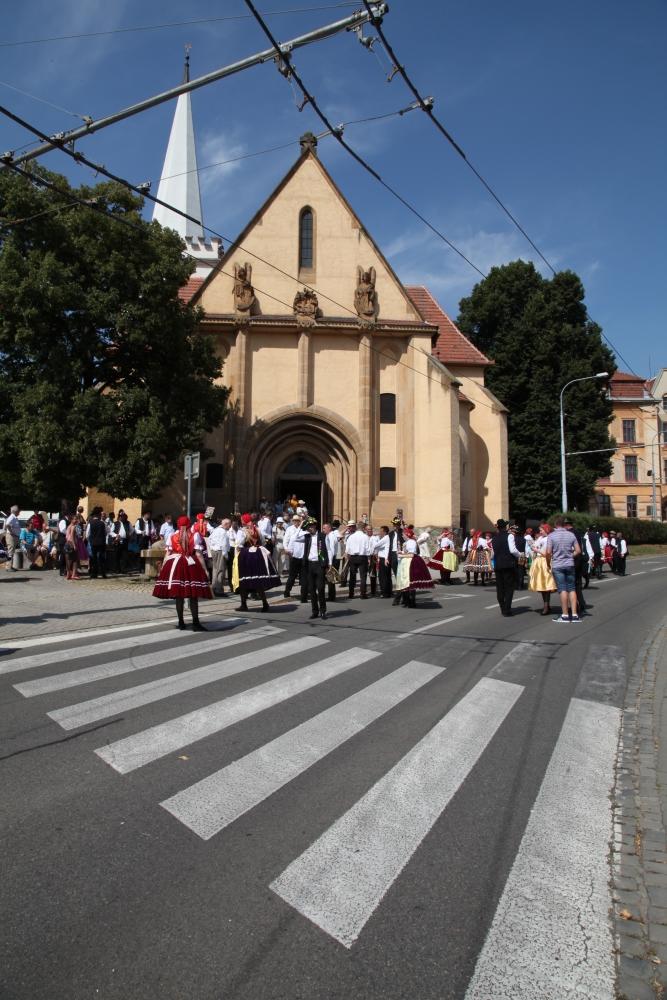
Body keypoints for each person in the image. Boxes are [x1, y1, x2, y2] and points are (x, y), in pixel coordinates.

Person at [153, 515, 212, 629]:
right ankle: (195, 622)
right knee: (193, 595)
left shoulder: (172, 536)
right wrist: (205, 569)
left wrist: (164, 567)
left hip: (175, 564)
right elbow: (198, 554)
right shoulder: (194, 535)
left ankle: (181, 622)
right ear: (189, 525)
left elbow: (168, 553)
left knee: (179, 595)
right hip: (191, 564)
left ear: (178, 525)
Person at [234, 519, 280, 613]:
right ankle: (264, 603)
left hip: (246, 557)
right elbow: (263, 542)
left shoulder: (242, 531)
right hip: (258, 556)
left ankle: (244, 604)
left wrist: (237, 556)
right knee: (258, 580)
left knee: (243, 580)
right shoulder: (258, 530)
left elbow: (239, 545)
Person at [546, 516, 582, 623]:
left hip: (558, 565)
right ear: (564, 524)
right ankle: (575, 615)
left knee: (562, 589)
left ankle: (565, 615)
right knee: (572, 588)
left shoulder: (551, 536)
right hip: (570, 564)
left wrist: (548, 563)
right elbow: (578, 550)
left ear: (555, 524)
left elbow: (548, 552)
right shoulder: (571, 535)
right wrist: (570, 556)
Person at [393, 527, 435, 607]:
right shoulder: (407, 542)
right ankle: (407, 601)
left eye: (403, 534)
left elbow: (412, 554)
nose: (402, 536)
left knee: (410, 582)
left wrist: (401, 555)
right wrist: (401, 552)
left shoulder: (411, 542)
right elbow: (407, 552)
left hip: (411, 563)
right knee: (406, 582)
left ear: (407, 535)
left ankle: (411, 601)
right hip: (406, 563)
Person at [490, 519, 520, 617]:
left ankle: (502, 607)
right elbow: (513, 550)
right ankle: (507, 609)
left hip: (498, 564)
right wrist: (520, 555)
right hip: (508, 564)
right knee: (509, 587)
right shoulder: (509, 536)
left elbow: (492, 554)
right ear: (505, 527)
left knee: (500, 587)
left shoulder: (494, 538)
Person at [303, 517, 329, 619]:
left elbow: (329, 549)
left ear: (315, 526)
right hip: (309, 564)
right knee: (312, 590)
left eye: (311, 526)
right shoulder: (307, 537)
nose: (310, 528)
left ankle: (323, 611)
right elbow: (295, 537)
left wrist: (328, 564)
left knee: (321, 588)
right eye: (308, 527)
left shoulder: (322, 536)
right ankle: (315, 611)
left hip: (319, 564)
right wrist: (301, 524)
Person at [528, 525, 557, 615]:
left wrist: (536, 550)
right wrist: (533, 546)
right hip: (539, 562)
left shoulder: (549, 538)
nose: (540, 532)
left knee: (546, 585)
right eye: (540, 530)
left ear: (546, 530)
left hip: (545, 561)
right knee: (541, 586)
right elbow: (535, 546)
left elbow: (546, 553)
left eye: (541, 530)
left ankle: (546, 606)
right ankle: (546, 605)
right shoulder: (541, 538)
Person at [563, 516, 588, 614]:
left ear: (566, 525)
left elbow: (571, 548)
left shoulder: (569, 534)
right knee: (577, 585)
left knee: (572, 586)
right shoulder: (577, 532)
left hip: (572, 561)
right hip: (578, 561)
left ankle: (577, 606)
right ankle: (580, 605)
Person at [283, 513, 308, 603]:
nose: (295, 522)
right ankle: (287, 591)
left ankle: (303, 595)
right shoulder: (290, 529)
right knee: (292, 576)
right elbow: (286, 539)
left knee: (304, 577)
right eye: (294, 520)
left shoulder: (305, 530)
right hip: (294, 555)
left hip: (303, 556)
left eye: (297, 520)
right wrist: (286, 548)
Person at [346, 520, 371, 599]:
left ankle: (351, 594)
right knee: (363, 576)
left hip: (353, 557)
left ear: (357, 527)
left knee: (352, 576)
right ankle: (363, 594)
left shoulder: (351, 536)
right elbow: (368, 549)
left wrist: (348, 557)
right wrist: (369, 558)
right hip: (362, 557)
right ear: (363, 528)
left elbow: (347, 549)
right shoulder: (365, 537)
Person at [208, 517, 231, 596]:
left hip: (214, 551)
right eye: (229, 525)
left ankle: (214, 587)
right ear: (225, 524)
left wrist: (212, 548)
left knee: (215, 569)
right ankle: (219, 590)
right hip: (220, 551)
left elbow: (209, 539)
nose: (229, 527)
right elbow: (224, 545)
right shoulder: (223, 532)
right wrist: (226, 555)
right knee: (221, 570)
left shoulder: (216, 530)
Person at [86, 507, 108, 579]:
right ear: (98, 515)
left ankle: (94, 573)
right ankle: (103, 573)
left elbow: (87, 535)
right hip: (101, 543)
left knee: (94, 558)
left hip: (93, 543)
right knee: (102, 558)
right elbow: (107, 532)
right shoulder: (102, 523)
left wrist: (91, 540)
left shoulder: (90, 523)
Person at [64, 515, 82, 580]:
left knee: (68, 560)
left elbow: (67, 536)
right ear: (71, 520)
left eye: (76, 519)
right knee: (75, 560)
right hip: (71, 544)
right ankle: (73, 575)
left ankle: (68, 574)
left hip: (67, 543)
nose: (76, 520)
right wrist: (74, 545)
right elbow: (72, 536)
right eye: (74, 519)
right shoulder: (73, 527)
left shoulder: (69, 526)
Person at [4, 505, 21, 570]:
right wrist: (11, 532)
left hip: (14, 536)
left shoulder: (14, 517)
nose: (19, 512)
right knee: (10, 551)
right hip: (11, 536)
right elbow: (7, 525)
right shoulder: (12, 517)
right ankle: (8, 567)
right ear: (15, 511)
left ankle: (10, 566)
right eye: (18, 510)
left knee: (12, 551)